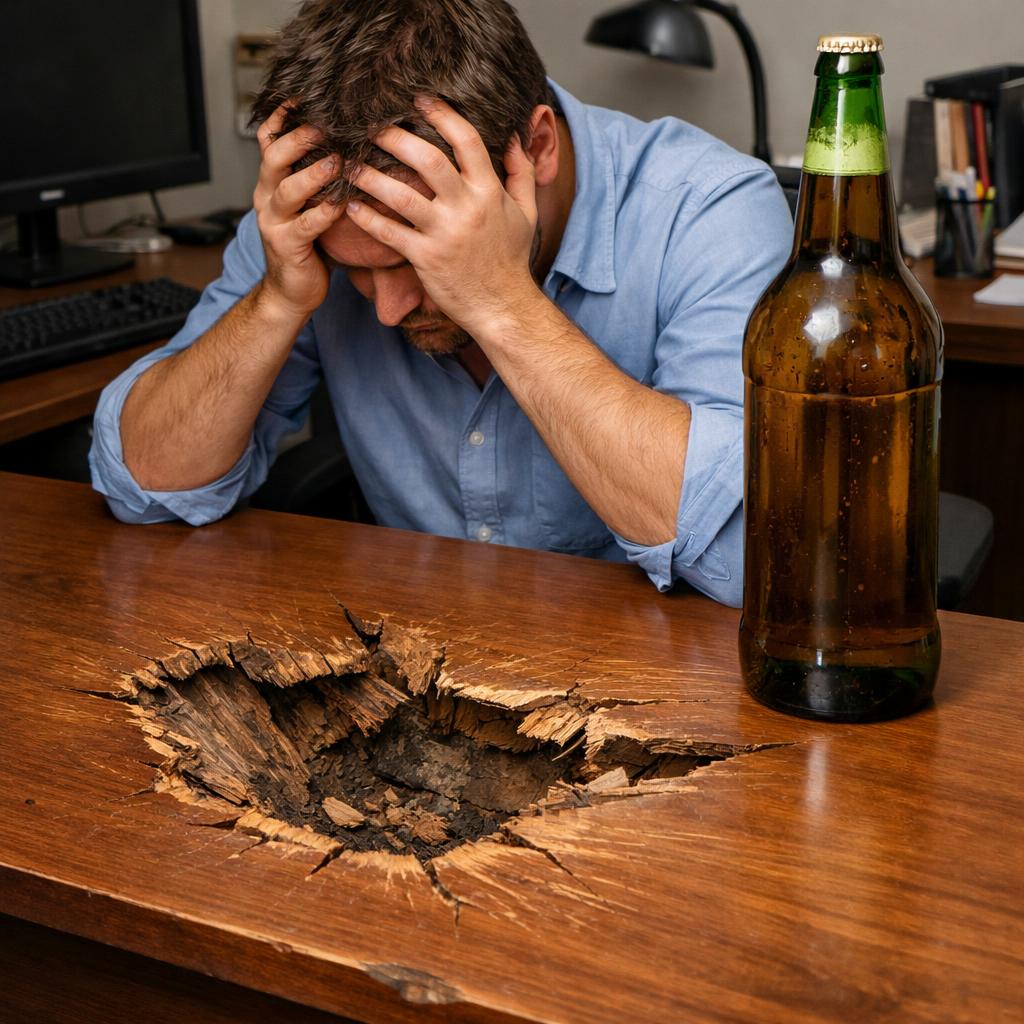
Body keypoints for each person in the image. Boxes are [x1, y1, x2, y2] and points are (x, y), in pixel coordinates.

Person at [89, 0, 792, 607]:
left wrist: (501, 305)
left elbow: (750, 557)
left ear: (537, 146)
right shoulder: (308, 221)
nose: (388, 310)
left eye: (416, 262)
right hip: (406, 680)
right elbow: (144, 488)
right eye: (355, 271)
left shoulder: (711, 211)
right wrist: (277, 301)